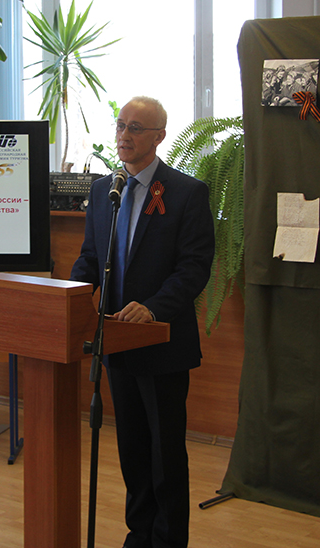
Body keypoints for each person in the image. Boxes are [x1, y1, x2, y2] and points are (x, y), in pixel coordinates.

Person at [70, 96, 215, 548]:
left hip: (162, 343)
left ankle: (168, 542)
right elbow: (91, 258)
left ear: (159, 137)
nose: (124, 135)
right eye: (120, 125)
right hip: (115, 342)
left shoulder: (186, 193)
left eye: (135, 128)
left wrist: (153, 307)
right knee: (132, 450)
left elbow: (194, 267)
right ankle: (139, 536)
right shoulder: (104, 192)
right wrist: (69, 297)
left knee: (164, 453)